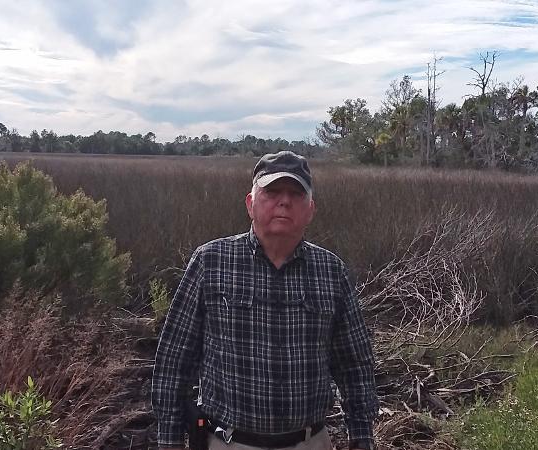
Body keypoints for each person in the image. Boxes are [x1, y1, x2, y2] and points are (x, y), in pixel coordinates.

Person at [151, 151, 377, 450]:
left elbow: (355, 364)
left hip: (310, 442)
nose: (284, 201)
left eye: (296, 194)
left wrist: (362, 435)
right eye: (271, 192)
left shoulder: (331, 270)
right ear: (250, 203)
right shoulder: (210, 262)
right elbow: (174, 361)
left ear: (310, 210)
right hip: (228, 442)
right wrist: (169, 440)